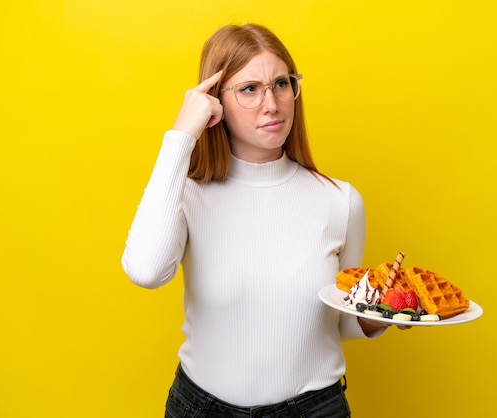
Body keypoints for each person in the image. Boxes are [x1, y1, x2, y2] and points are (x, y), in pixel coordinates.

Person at [121, 23, 397, 418]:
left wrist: (385, 315)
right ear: (215, 101)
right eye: (249, 89)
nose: (272, 104)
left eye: (282, 84)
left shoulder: (340, 201)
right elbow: (146, 271)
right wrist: (182, 133)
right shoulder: (188, 194)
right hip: (202, 409)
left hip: (314, 409)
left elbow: (338, 324)